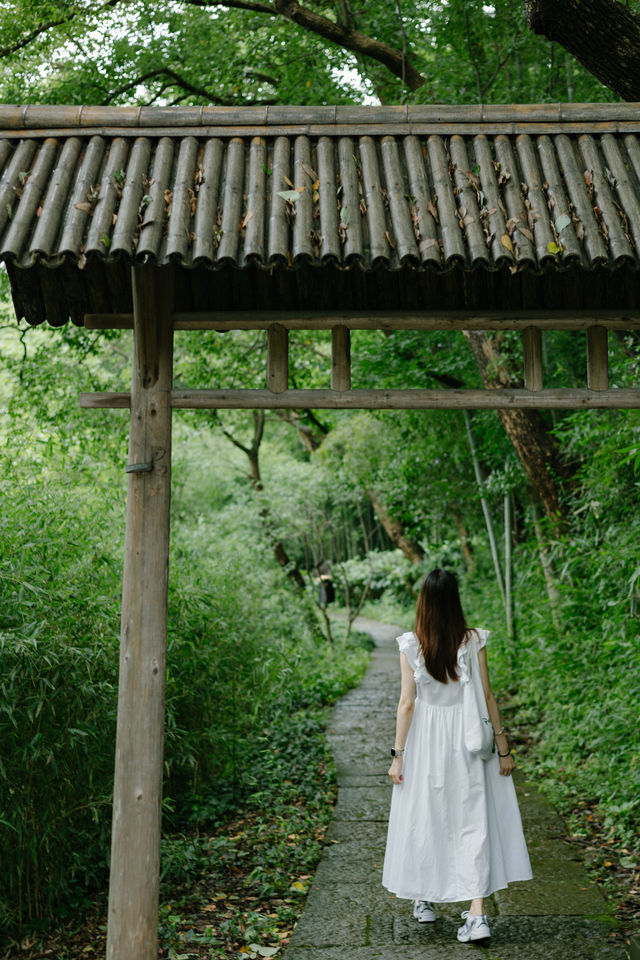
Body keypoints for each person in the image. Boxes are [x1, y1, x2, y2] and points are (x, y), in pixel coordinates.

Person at [382, 568, 532, 944]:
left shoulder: (410, 644)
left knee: (426, 814)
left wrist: (398, 755)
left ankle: (425, 898)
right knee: (472, 822)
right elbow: (487, 696)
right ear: (455, 601)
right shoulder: (473, 640)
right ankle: (477, 914)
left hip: (426, 743)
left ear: (423, 602)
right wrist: (503, 748)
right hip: (468, 741)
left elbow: (406, 704)